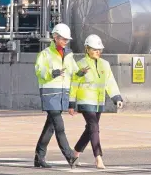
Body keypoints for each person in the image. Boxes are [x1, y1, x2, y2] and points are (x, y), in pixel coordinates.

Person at [34, 23, 85, 168]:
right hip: (50, 95)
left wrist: (80, 73)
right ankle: (70, 156)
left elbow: (74, 71)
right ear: (55, 37)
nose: (65, 42)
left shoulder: (69, 55)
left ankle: (39, 156)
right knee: (59, 126)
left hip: (62, 94)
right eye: (63, 39)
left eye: (67, 40)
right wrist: (52, 73)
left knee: (50, 127)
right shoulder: (45, 54)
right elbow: (39, 71)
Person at [68, 34, 123, 169]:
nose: (98, 51)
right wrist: (71, 103)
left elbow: (110, 82)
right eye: (94, 49)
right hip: (85, 101)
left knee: (90, 130)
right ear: (87, 48)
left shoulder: (105, 64)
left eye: (99, 49)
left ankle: (74, 154)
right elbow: (74, 84)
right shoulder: (80, 64)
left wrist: (116, 98)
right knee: (94, 127)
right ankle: (98, 158)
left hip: (99, 102)